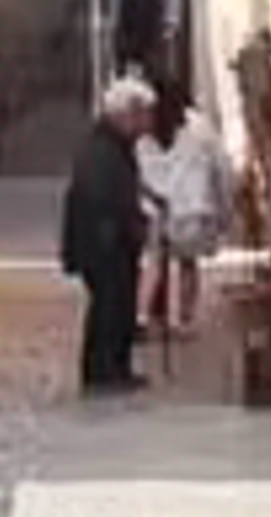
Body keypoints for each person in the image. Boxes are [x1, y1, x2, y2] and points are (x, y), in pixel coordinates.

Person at [58, 77, 157, 396]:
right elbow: (103, 196)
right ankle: (105, 371)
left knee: (114, 306)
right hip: (105, 246)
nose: (147, 122)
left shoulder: (111, 145)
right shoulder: (102, 149)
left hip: (110, 243)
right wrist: (126, 224)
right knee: (109, 307)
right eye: (142, 114)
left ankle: (111, 368)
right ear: (125, 114)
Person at [144, 87, 231, 345]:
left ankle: (159, 318)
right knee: (183, 263)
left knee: (161, 263)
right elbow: (222, 169)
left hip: (167, 206)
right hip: (186, 207)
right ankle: (183, 319)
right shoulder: (200, 129)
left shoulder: (149, 129)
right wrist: (225, 211)